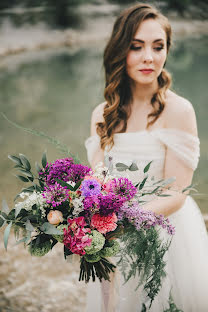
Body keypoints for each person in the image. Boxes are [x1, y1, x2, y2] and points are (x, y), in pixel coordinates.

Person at [85, 3, 208, 311]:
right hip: (113, 236)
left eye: (158, 46)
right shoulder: (102, 115)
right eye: (136, 47)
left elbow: (176, 192)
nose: (148, 57)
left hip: (165, 235)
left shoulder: (179, 111)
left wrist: (125, 220)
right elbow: (96, 182)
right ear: (120, 50)